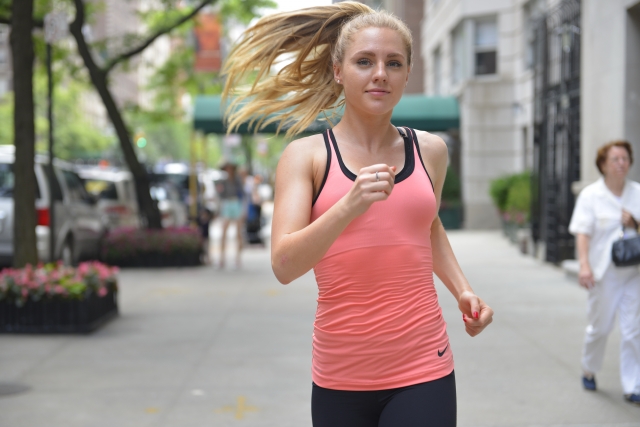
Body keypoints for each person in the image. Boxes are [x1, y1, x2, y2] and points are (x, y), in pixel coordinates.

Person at [223, 3, 494, 425]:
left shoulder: (431, 151)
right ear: (338, 71)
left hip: (423, 364)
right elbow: (284, 264)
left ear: (407, 74)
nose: (380, 73)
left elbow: (428, 224)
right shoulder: (306, 156)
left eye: (394, 63)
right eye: (364, 61)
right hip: (339, 375)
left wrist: (462, 289)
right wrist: (349, 205)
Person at [568, 140, 640, 405]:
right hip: (603, 274)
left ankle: (633, 385)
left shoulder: (637, 192)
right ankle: (589, 368)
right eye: (615, 159)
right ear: (603, 165)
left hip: (633, 273)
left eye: (625, 158)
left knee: (633, 330)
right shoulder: (591, 195)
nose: (621, 163)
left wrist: (635, 222)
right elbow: (583, 234)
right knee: (600, 328)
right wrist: (584, 265)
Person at [216, 161, 244, 268]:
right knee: (224, 232)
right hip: (227, 204)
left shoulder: (237, 180)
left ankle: (238, 258)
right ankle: (221, 258)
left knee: (238, 233)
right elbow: (220, 194)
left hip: (236, 203)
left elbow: (242, 193)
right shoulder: (222, 181)